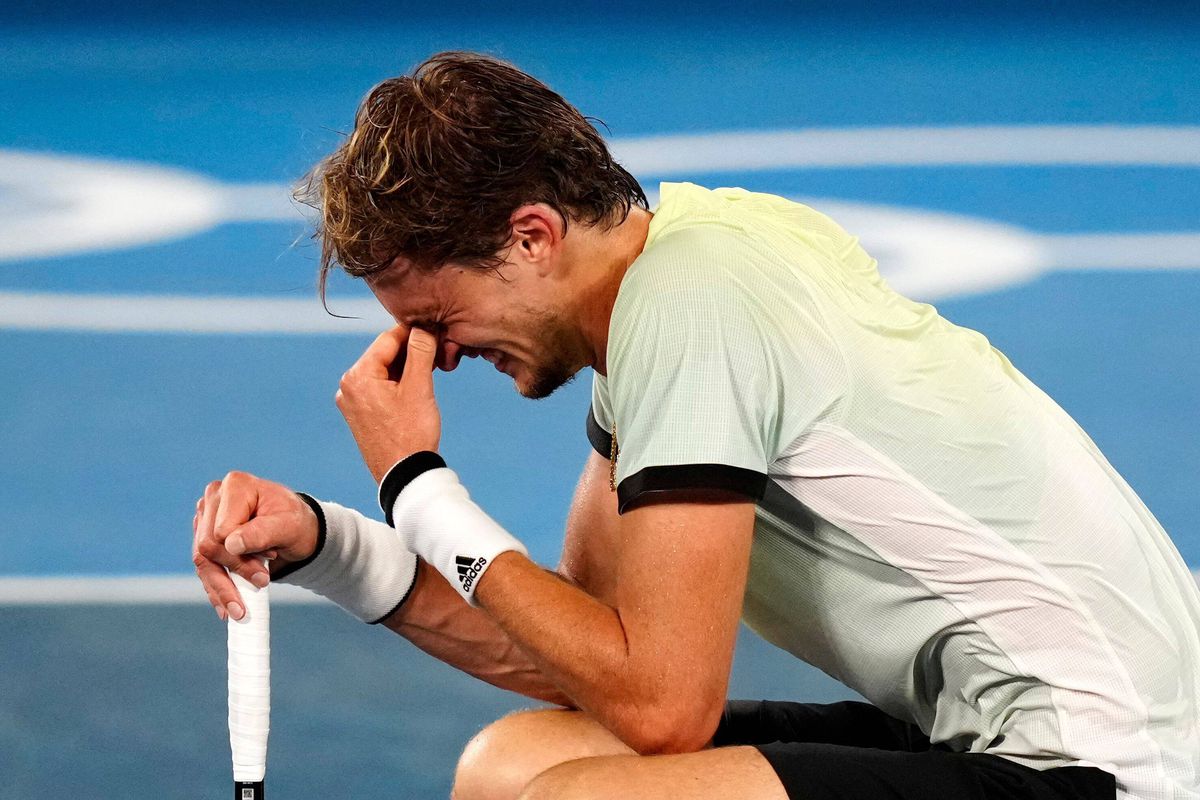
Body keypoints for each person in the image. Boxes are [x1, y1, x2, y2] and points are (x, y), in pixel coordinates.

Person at [191, 51, 1200, 800]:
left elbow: (662, 706)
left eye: (437, 316)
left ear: (532, 236)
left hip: (1110, 764)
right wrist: (332, 544)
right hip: (983, 733)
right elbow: (580, 658)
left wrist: (416, 479)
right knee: (516, 762)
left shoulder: (692, 308)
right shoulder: (681, 272)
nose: (436, 354)